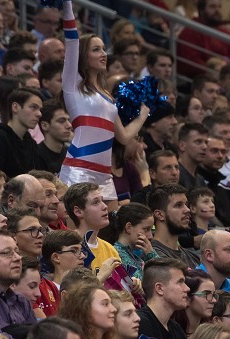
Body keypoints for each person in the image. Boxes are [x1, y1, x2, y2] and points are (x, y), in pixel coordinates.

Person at [59, 0, 150, 204]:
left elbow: (124, 137)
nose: (103, 54)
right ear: (84, 55)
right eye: (96, 50)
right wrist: (67, 6)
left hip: (104, 173)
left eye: (103, 49)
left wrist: (143, 115)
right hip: (79, 167)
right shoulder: (73, 85)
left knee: (107, 229)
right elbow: (72, 41)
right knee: (79, 230)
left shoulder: (108, 96)